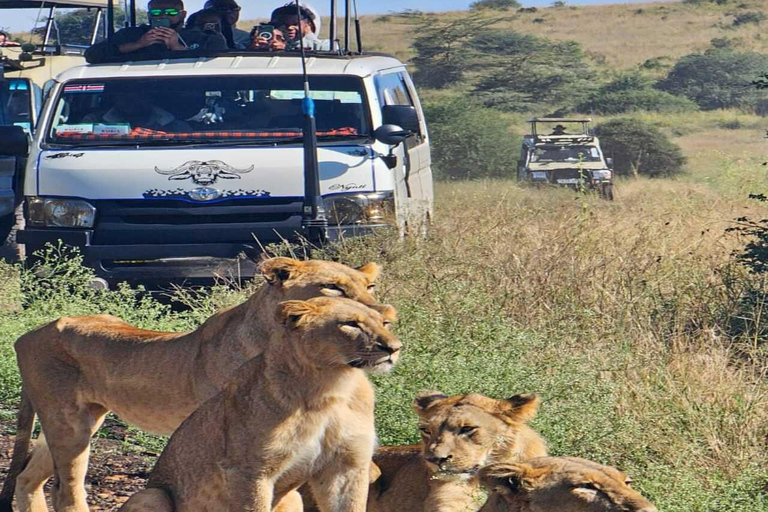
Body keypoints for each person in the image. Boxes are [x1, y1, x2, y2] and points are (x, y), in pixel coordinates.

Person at [84, 0, 188, 64]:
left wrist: (177, 47)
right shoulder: (130, 34)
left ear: (182, 15)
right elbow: (91, 55)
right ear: (148, 15)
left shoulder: (197, 36)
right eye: (155, 12)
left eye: (171, 12)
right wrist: (138, 44)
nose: (163, 16)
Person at [83, 92, 191, 132]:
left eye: (138, 97)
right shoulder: (94, 122)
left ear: (150, 99)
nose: (131, 102)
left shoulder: (176, 127)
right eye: (124, 97)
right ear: (115, 99)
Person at [251, 2, 331, 51]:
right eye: (283, 24)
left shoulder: (324, 45)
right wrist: (254, 49)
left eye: (295, 24)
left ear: (308, 25)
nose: (289, 28)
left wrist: (287, 50)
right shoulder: (266, 43)